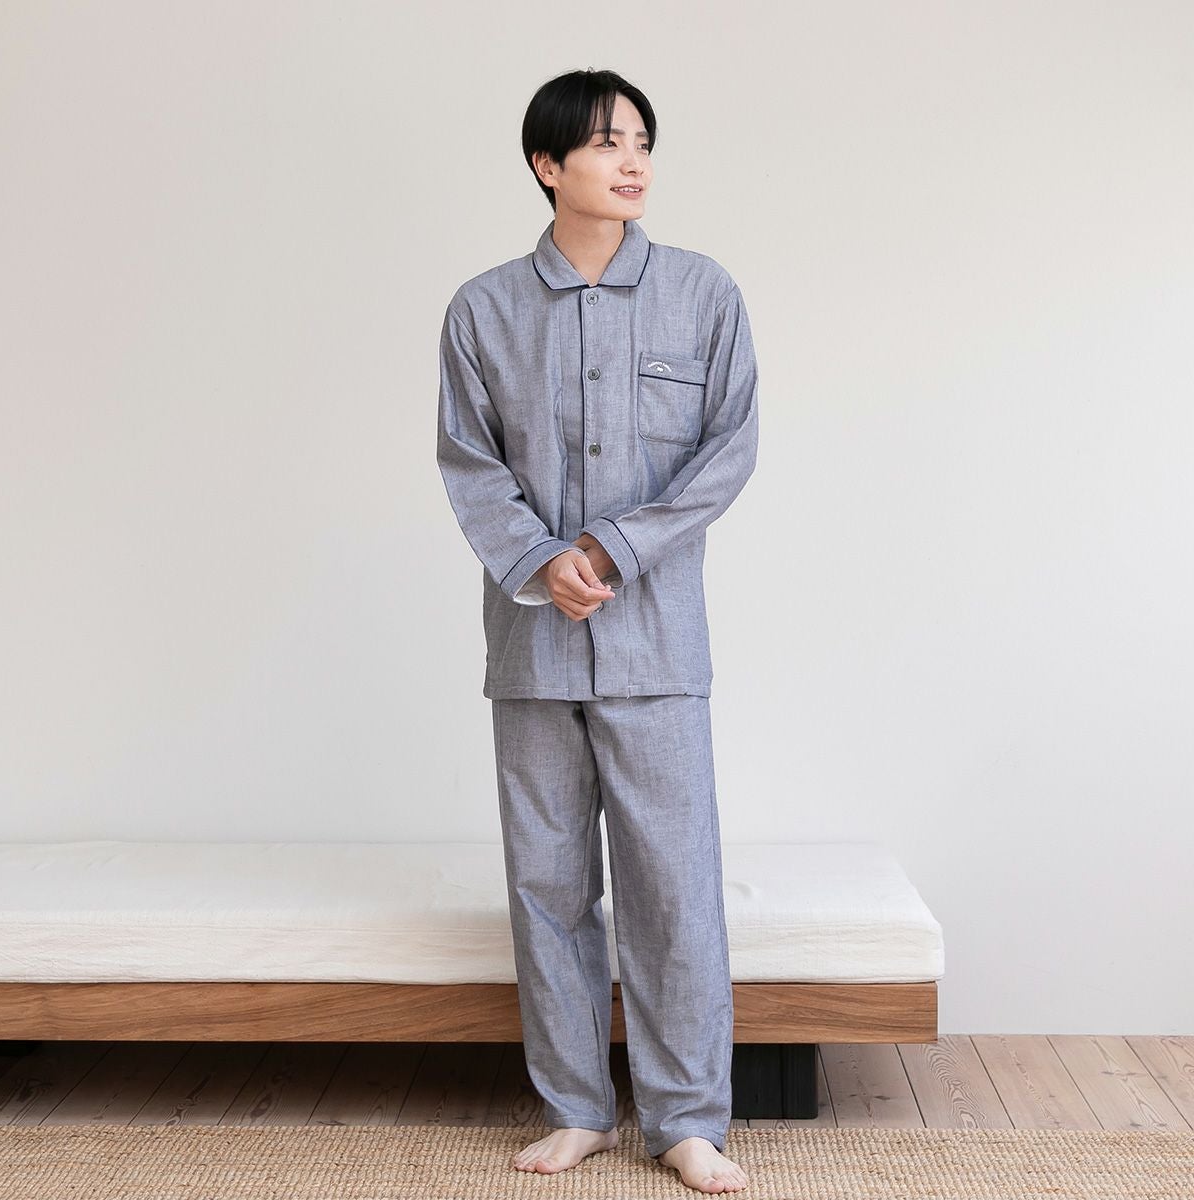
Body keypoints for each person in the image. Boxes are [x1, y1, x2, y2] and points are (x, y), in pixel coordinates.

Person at [436, 67, 759, 1194]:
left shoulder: (703, 294)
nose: (632, 161)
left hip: (658, 648)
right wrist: (540, 560)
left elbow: (727, 453)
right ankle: (575, 1107)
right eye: (608, 142)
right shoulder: (482, 310)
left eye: (643, 143)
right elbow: (470, 463)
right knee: (549, 888)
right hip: (532, 651)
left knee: (674, 886)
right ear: (548, 164)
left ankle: (687, 1121)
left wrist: (613, 547)